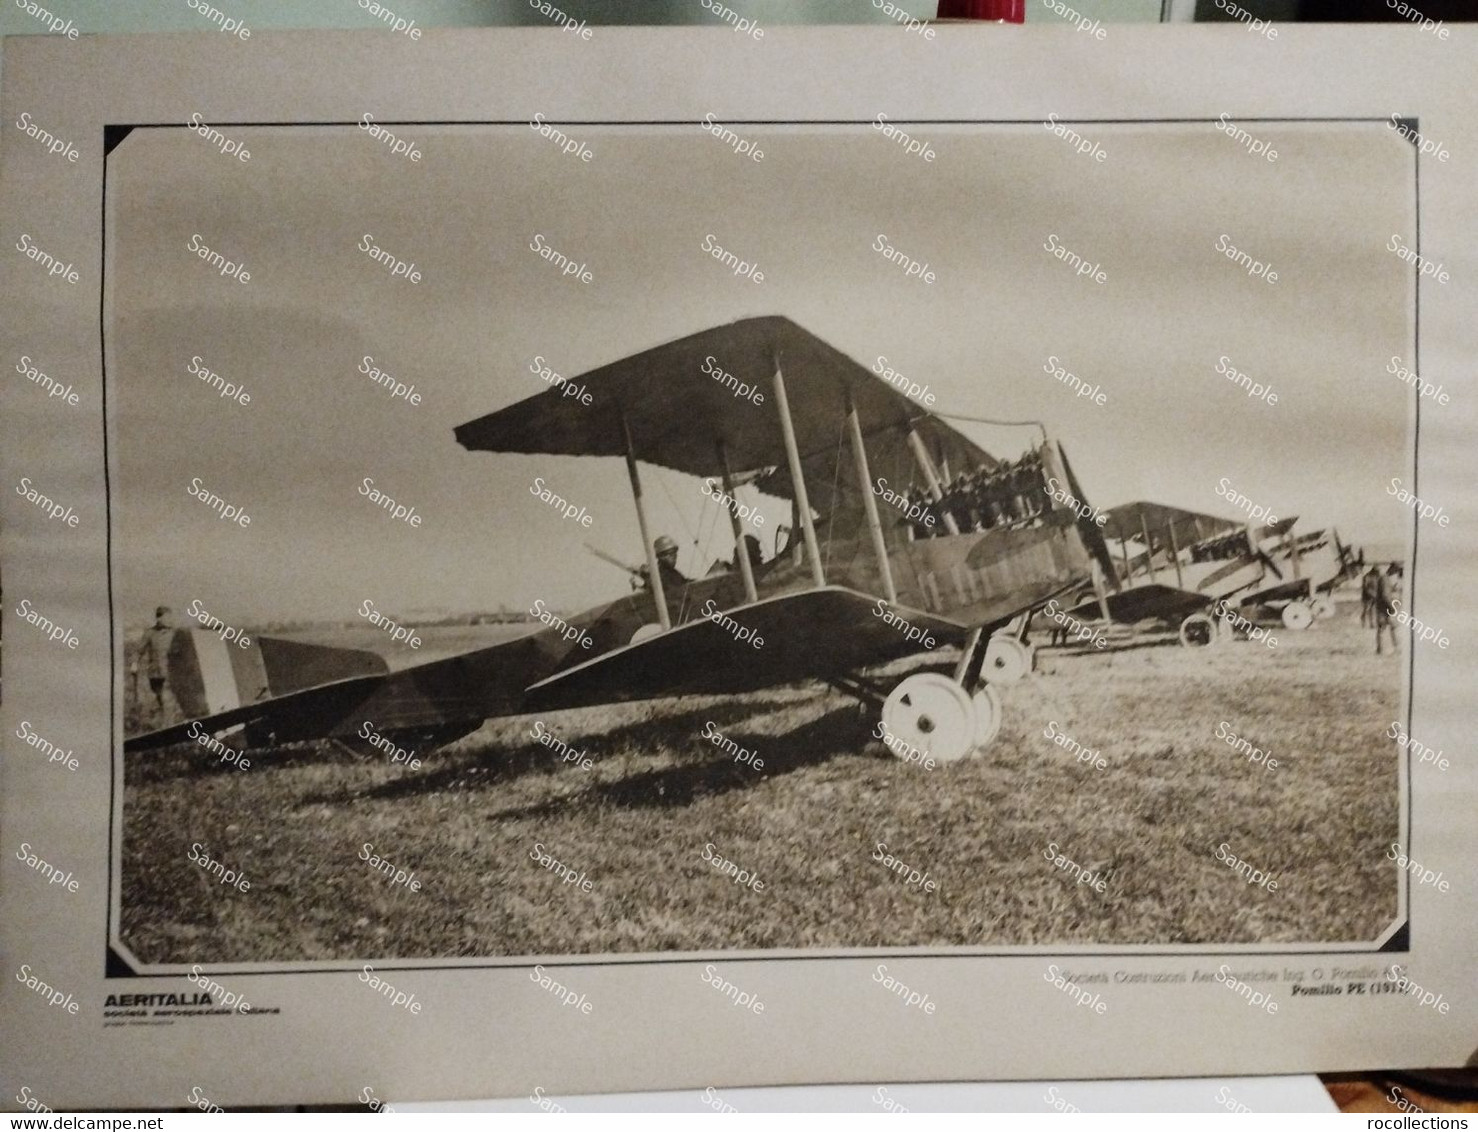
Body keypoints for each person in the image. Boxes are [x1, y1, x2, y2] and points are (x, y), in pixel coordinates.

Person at [133, 606, 174, 724]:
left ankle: (168, 729)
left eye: (170, 617)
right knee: (162, 700)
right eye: (166, 618)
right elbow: (139, 650)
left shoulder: (174, 633)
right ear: (159, 618)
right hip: (155, 674)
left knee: (167, 701)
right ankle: (165, 727)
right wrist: (134, 664)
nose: (169, 620)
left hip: (170, 673)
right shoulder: (150, 633)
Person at [1374, 565, 1401, 655]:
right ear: (1393, 571)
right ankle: (1394, 648)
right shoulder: (1385, 579)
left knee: (1383, 628)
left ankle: (1380, 649)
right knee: (1391, 628)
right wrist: (1392, 608)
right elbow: (1385, 595)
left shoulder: (1384, 578)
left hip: (1383, 608)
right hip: (1385, 608)